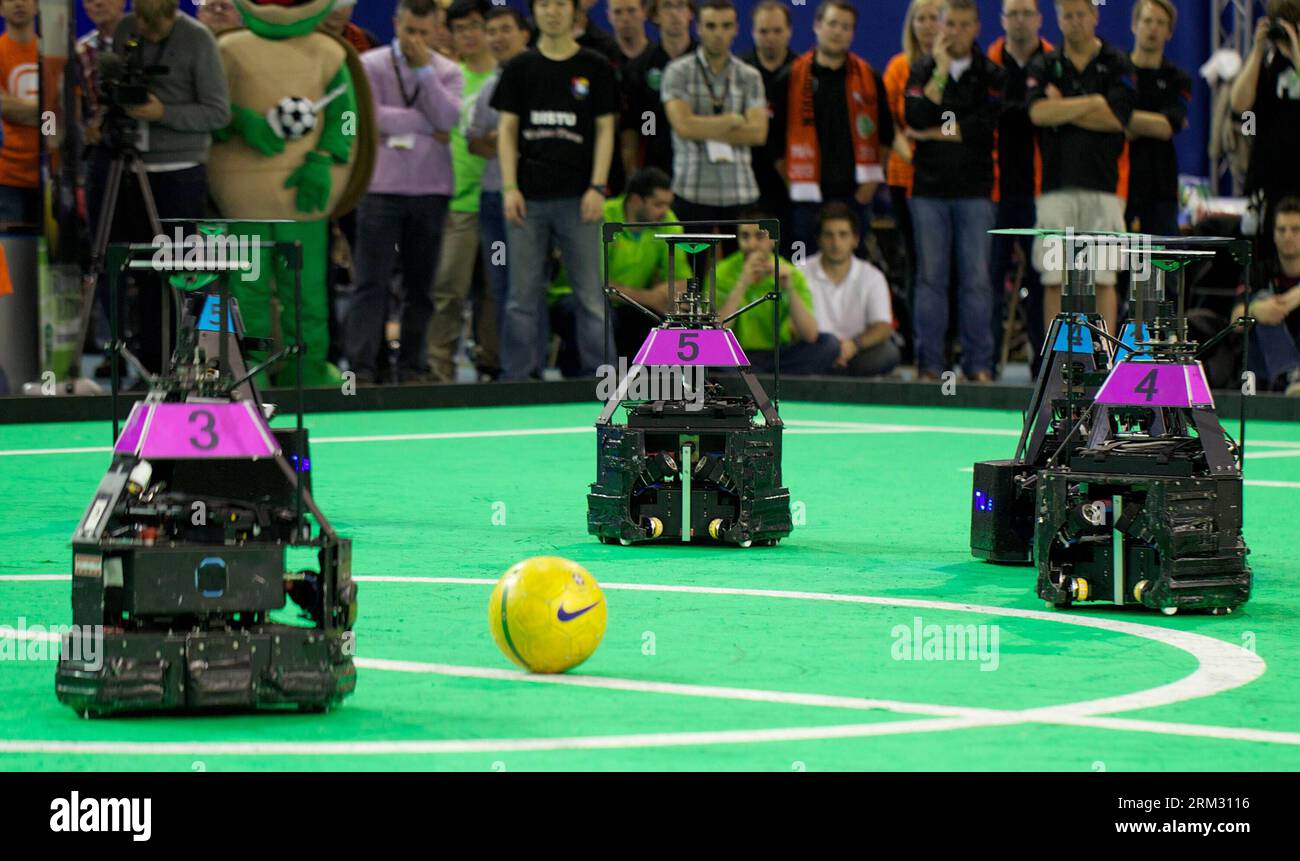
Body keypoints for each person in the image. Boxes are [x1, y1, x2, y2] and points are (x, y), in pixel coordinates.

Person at [492, 0, 618, 379]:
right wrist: (509, 186)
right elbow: (507, 131)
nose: (552, 11)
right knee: (521, 299)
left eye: (560, 3)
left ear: (575, 12)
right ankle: (516, 380)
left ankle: (603, 380)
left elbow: (606, 130)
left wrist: (597, 186)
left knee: (592, 298)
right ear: (535, 13)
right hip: (528, 199)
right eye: (544, 4)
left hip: (580, 200)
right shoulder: (519, 67)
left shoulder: (594, 66)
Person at [107, 0, 230, 374]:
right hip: (131, 166)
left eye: (154, 31)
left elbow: (218, 113)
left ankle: (192, 368)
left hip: (180, 172)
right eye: (141, 28)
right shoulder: (125, 28)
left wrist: (164, 114)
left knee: (182, 273)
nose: (145, 34)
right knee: (141, 273)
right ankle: (149, 369)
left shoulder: (198, 39)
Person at [347, 0, 462, 384]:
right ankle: (363, 368)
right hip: (380, 189)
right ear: (396, 24)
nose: (415, 39)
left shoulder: (447, 71)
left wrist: (425, 74)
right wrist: (424, 125)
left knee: (421, 287)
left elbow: (448, 118)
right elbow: (368, 116)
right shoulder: (371, 64)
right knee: (370, 282)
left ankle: (411, 367)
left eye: (424, 33)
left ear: (436, 30)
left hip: (430, 191)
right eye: (409, 30)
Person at [904, 0, 1004, 383]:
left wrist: (933, 133)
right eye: (951, 25)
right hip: (928, 190)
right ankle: (929, 365)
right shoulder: (923, 68)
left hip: (975, 191)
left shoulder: (991, 74)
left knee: (976, 279)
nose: (956, 32)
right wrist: (941, 72)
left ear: (977, 27)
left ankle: (979, 365)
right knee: (930, 279)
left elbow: (983, 128)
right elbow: (914, 116)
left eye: (964, 25)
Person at [1027, 0, 1135, 337]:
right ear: (1057, 20)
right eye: (1067, 16)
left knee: (1103, 277)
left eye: (1081, 15)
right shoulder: (1044, 62)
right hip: (1055, 187)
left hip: (1104, 187)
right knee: (1054, 276)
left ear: (1095, 16)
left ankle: (1104, 359)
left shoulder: (1116, 62)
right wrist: (1094, 102)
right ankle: (1054, 361)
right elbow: (1038, 114)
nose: (1074, 22)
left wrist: (1063, 106)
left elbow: (1118, 118)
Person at [774, 0, 894, 256]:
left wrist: (868, 190)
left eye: (846, 27)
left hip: (855, 194)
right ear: (817, 26)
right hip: (806, 195)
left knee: (854, 271)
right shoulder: (791, 76)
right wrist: (793, 183)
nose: (838, 32)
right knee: (803, 269)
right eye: (832, 24)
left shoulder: (869, 77)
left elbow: (886, 136)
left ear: (852, 33)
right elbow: (774, 143)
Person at [550, 166, 691, 369]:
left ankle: (661, 389)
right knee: (601, 315)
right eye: (658, 204)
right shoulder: (601, 216)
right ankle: (593, 384)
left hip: (629, 303)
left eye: (668, 204)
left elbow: (682, 280)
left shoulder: (668, 222)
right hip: (576, 297)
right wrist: (651, 297)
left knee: (671, 320)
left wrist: (667, 294)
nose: (665, 211)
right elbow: (596, 284)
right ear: (635, 200)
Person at [467, 5, 540, 374]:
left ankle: (537, 367)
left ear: (524, 34)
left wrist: (513, 138)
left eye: (504, 30)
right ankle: (512, 371)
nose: (496, 37)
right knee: (501, 286)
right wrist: (506, 139)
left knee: (531, 287)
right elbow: (474, 142)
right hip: (495, 200)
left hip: (537, 200)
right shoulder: (488, 88)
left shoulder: (543, 76)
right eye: (490, 31)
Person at [428, 0, 497, 382]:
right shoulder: (444, 79)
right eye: (459, 29)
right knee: (448, 291)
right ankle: (439, 371)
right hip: (455, 203)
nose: (468, 35)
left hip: (500, 200)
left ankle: (492, 367)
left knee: (495, 293)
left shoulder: (507, 77)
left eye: (475, 26)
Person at [660, 0, 766, 224]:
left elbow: (758, 133)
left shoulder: (750, 76)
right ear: (698, 28)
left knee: (744, 261)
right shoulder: (677, 71)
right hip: (691, 189)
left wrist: (701, 127)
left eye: (726, 26)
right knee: (689, 260)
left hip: (740, 190)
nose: (719, 34)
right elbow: (684, 127)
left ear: (736, 29)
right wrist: (733, 120)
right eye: (711, 26)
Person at [987, 0, 1051, 375]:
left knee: (1041, 282)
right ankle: (988, 362)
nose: (1020, 20)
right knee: (990, 280)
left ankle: (1042, 366)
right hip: (994, 190)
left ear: (1040, 20)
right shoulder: (990, 65)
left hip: (1040, 191)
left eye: (1027, 13)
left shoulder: (1052, 65)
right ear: (1003, 20)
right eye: (1013, 13)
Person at [715, 209, 839, 375]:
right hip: (736, 355)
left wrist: (789, 288)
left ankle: (757, 382)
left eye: (759, 237)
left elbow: (810, 335)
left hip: (779, 356)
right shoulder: (721, 272)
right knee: (710, 354)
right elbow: (715, 334)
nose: (751, 244)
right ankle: (767, 383)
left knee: (829, 344)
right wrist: (743, 282)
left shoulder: (790, 273)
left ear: (773, 240)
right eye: (745, 237)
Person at [1231, 1, 1300, 259]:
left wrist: (1295, 54)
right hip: (1269, 180)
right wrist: (1258, 51)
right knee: (1268, 254)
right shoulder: (1266, 62)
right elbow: (1239, 103)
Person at [883, 0, 943, 294]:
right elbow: (888, 122)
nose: (928, 25)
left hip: (950, 179)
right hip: (905, 176)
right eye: (921, 19)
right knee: (917, 259)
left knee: (949, 262)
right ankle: (917, 337)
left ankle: (952, 337)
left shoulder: (959, 67)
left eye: (935, 18)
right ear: (912, 25)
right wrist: (909, 154)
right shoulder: (898, 67)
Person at [800, 202, 900, 377]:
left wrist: (853, 345)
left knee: (888, 353)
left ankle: (831, 373)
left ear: (855, 240)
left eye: (843, 235)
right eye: (829, 235)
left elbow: (883, 327)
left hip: (856, 352)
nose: (835, 243)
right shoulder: (800, 272)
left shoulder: (872, 276)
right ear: (819, 239)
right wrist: (828, 350)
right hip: (815, 351)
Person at [1125, 0, 1190, 238]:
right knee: (1115, 270)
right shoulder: (1115, 71)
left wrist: (1121, 119)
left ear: (1170, 32)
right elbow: (1105, 121)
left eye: (1161, 23)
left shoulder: (1178, 79)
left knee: (1163, 269)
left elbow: (1165, 128)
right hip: (1120, 185)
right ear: (1134, 25)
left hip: (1161, 188)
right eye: (1147, 21)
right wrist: (1151, 123)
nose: (1153, 28)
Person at [621, 0, 696, 176]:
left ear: (690, 13)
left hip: (700, 164)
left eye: (681, 6)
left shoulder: (706, 63)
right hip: (656, 167)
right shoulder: (639, 67)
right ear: (655, 15)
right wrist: (633, 171)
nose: (674, 13)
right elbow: (634, 124)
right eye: (667, 6)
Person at [741, 0, 793, 246]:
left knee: (786, 246)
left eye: (777, 31)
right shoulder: (738, 72)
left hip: (789, 178)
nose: (770, 38)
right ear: (752, 32)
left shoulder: (802, 72)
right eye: (763, 31)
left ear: (789, 31)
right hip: (746, 177)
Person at [1237, 197, 1300, 395]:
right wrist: (1257, 309)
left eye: (1296, 229)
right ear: (1273, 235)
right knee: (1261, 299)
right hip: (1266, 363)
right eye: (1282, 230)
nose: (1288, 236)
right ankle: (1289, 375)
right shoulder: (1258, 271)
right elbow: (1234, 320)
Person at [0, 0, 40, 225]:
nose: (18, 3)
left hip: (47, 175)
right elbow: (2, 107)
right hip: (7, 177)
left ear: (37, 7)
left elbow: (57, 114)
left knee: (49, 255)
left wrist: (17, 108)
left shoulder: (51, 55)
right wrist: (43, 109)